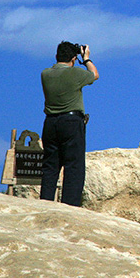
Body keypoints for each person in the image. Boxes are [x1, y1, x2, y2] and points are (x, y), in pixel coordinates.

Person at [40, 41, 99, 206]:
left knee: (50, 167)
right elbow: (94, 74)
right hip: (72, 122)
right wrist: (86, 59)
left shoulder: (45, 74)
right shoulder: (75, 74)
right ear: (74, 58)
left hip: (50, 123)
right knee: (74, 166)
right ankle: (69, 206)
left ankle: (45, 203)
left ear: (56, 56)